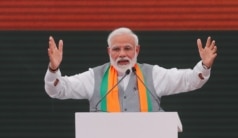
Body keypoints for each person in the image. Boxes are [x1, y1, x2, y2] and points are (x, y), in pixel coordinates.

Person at [44, 27, 217, 112]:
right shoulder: (94, 76)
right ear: (108, 52)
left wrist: (204, 65)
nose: (122, 54)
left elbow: (190, 80)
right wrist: (54, 68)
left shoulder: (152, 74)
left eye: (127, 48)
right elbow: (57, 90)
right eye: (116, 49)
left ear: (137, 50)